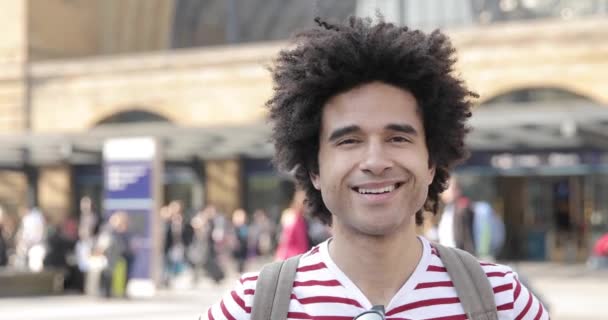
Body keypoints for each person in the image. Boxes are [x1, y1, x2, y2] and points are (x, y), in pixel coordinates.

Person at [206, 16, 548, 319]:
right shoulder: (249, 307)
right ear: (315, 170)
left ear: (431, 163)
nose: (375, 162)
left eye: (398, 138)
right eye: (348, 141)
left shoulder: (503, 300)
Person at [437, 176, 476, 255]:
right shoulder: (449, 208)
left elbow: (466, 237)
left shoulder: (462, 208)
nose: (443, 193)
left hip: (458, 256)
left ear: (457, 191)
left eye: (447, 189)